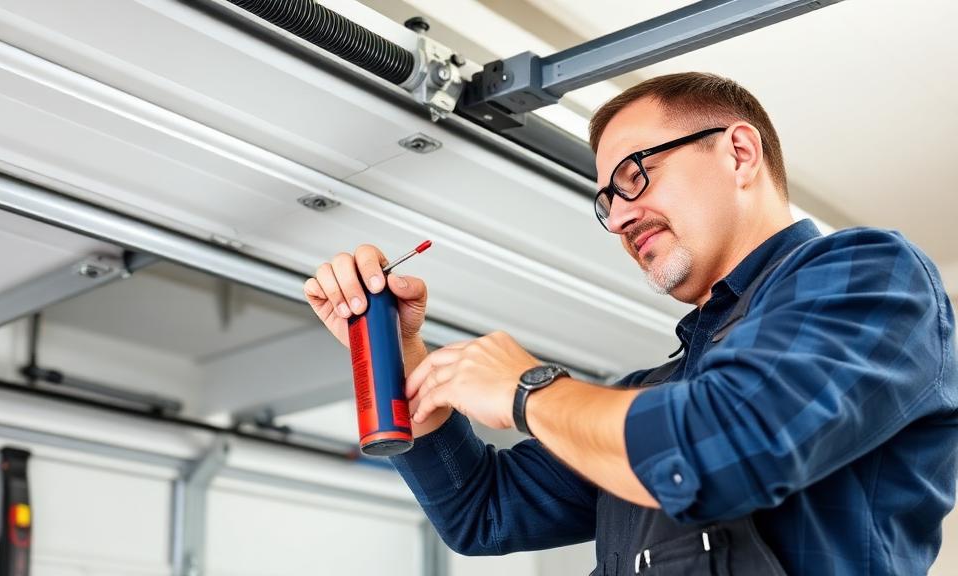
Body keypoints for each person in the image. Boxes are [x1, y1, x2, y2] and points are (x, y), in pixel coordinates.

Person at [303, 72, 957, 575]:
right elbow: (484, 512)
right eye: (606, 200)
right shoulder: (644, 399)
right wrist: (395, 355)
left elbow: (721, 444)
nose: (617, 219)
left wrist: (526, 389)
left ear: (738, 152)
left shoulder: (873, 272)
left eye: (634, 175)